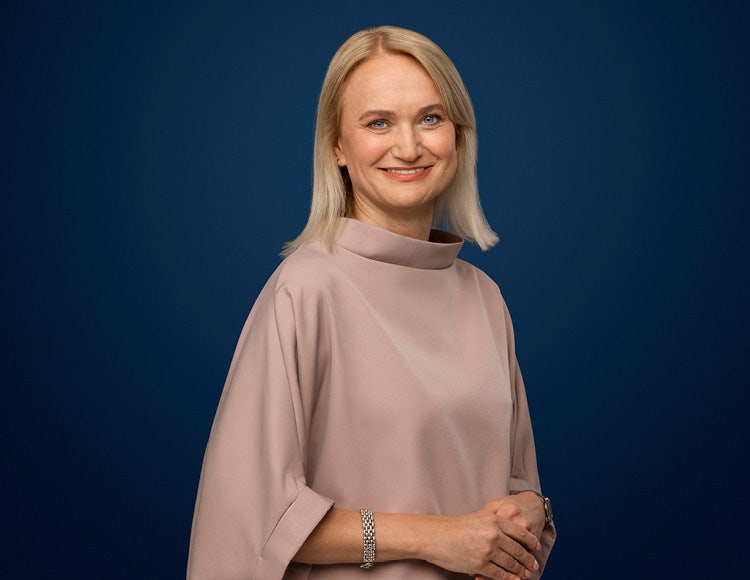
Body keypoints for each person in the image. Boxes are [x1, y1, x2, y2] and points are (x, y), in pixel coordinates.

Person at [187, 25, 555, 580]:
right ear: (337, 146)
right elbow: (254, 518)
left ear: (458, 136)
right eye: (378, 122)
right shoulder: (305, 289)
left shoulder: (483, 297)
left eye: (430, 118)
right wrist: (435, 538)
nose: (408, 147)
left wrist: (529, 508)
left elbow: (516, 483)